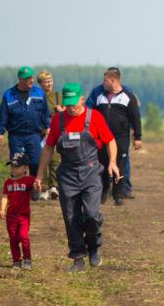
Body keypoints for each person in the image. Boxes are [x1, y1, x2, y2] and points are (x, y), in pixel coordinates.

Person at [35, 83, 120, 272]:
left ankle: (94, 247)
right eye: (67, 104)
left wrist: (113, 162)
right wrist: (40, 174)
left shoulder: (94, 117)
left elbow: (110, 141)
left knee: (91, 214)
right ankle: (78, 258)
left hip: (91, 172)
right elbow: (48, 147)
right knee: (71, 217)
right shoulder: (58, 120)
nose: (71, 108)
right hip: (68, 174)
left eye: (74, 103)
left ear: (82, 99)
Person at [88, 67, 142, 206]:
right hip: (102, 137)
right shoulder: (100, 96)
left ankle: (118, 195)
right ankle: (104, 191)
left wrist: (138, 137)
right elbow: (90, 114)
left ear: (112, 81)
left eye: (105, 80)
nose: (103, 83)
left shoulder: (128, 97)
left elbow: (136, 118)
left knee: (120, 165)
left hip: (121, 137)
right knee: (103, 165)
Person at [0, 66, 50, 186]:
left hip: (34, 135)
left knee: (36, 162)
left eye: (32, 78)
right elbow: (3, 116)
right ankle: (18, 190)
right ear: (20, 79)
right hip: (16, 136)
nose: (31, 80)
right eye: (27, 79)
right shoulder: (9, 95)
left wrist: (48, 127)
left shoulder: (39, 93)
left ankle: (33, 187)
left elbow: (45, 113)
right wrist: (0, 133)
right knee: (17, 165)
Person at [0, 152, 36, 269]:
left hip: (24, 215)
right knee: (13, 238)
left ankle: (27, 259)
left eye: (17, 166)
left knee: (24, 236)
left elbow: (39, 186)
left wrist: (39, 185)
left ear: (25, 168)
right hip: (11, 216)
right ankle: (16, 260)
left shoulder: (29, 180)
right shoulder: (8, 183)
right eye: (12, 166)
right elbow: (5, 196)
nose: (13, 168)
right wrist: (2, 209)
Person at [37, 70, 64, 200]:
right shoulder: (36, 97)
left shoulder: (59, 96)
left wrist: (61, 110)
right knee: (41, 159)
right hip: (39, 132)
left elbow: (68, 110)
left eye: (50, 81)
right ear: (40, 84)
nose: (49, 84)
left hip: (54, 132)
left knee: (54, 159)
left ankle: (53, 187)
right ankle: (42, 188)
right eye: (46, 82)